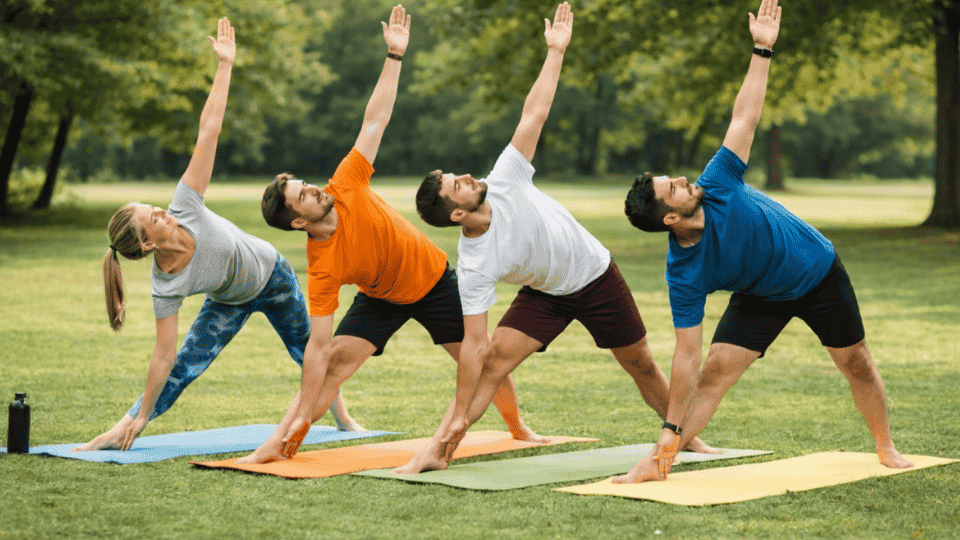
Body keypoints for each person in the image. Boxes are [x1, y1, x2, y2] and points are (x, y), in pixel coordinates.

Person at [396, 2, 714, 475]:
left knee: (641, 365)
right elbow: (476, 346)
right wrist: (461, 413)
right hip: (547, 294)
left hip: (594, 273)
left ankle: (687, 438)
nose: (466, 175)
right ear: (457, 213)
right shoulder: (476, 264)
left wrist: (555, 52)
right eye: (455, 185)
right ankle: (439, 450)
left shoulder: (503, 178)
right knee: (489, 366)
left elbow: (535, 113)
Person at [616, 0, 913, 483]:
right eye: (675, 188)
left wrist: (762, 49)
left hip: (815, 272)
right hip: (761, 294)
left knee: (855, 362)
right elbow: (686, 354)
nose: (687, 180)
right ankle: (659, 462)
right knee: (714, 370)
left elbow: (744, 117)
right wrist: (670, 429)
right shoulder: (684, 271)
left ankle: (886, 447)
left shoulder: (719, 183)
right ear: (670, 217)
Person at [240, 5, 543, 464]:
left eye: (307, 184)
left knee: (479, 362)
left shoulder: (345, 184)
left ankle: (518, 427)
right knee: (337, 362)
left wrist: (395, 56)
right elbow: (317, 349)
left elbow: (374, 120)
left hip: (434, 281)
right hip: (381, 297)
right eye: (304, 195)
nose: (316, 188)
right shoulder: (322, 268)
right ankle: (284, 437)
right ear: (298, 221)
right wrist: (302, 410)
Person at [78, 17, 362, 452]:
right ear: (149, 243)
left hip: (273, 275)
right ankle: (124, 426)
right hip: (228, 301)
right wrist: (137, 417)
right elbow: (163, 358)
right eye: (153, 215)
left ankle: (344, 418)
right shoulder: (166, 284)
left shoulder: (185, 204)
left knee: (308, 349)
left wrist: (225, 66)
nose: (161, 209)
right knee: (184, 369)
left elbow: (208, 129)